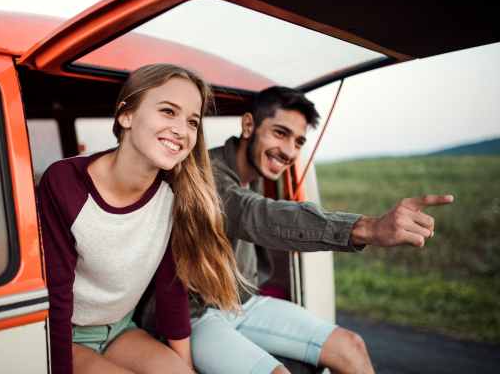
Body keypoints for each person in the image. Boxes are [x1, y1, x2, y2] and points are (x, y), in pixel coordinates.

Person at [188, 86, 454, 374]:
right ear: (249, 125)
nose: (289, 151)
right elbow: (256, 213)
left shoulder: (251, 176)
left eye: (299, 141)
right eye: (280, 133)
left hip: (242, 303)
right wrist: (369, 227)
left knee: (350, 345)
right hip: (198, 314)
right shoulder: (207, 174)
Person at [38, 63, 246, 374]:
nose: (181, 129)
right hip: (67, 336)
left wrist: (185, 368)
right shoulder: (64, 182)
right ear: (126, 115)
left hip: (121, 329)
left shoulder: (175, 195)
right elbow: (56, 295)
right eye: (167, 111)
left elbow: (171, 290)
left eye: (192, 121)